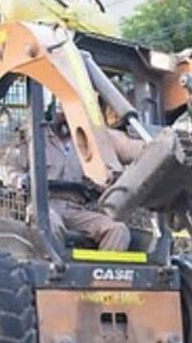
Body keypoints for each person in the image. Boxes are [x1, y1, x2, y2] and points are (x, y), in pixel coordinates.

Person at [40, 106, 131, 251]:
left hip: (76, 209)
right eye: (60, 111)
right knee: (51, 226)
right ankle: (57, 270)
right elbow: (7, 168)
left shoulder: (87, 142)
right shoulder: (34, 138)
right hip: (44, 206)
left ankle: (100, 272)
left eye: (67, 111)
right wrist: (20, 180)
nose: (64, 116)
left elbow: (102, 175)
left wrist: (103, 184)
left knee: (117, 230)